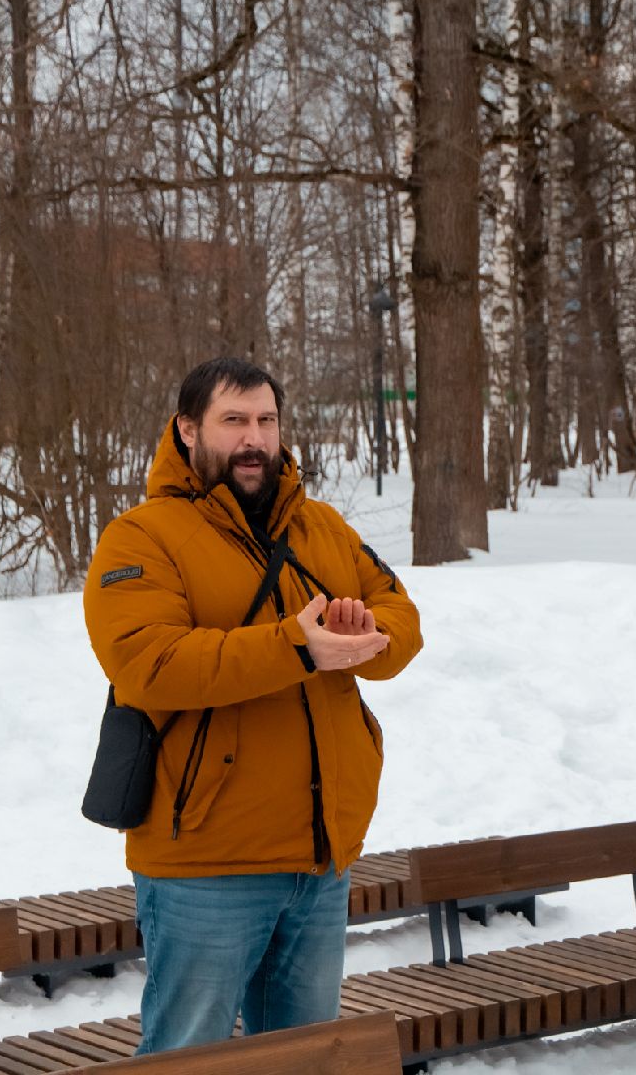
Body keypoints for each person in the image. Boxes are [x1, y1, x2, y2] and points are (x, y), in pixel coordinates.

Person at [82, 358, 423, 1054]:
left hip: (320, 857)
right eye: (233, 420)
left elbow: (403, 619)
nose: (254, 439)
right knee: (188, 1058)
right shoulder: (140, 537)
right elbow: (148, 665)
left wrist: (366, 635)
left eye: (266, 421)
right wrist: (294, 648)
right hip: (207, 862)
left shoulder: (321, 527)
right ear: (187, 431)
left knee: (301, 1062)